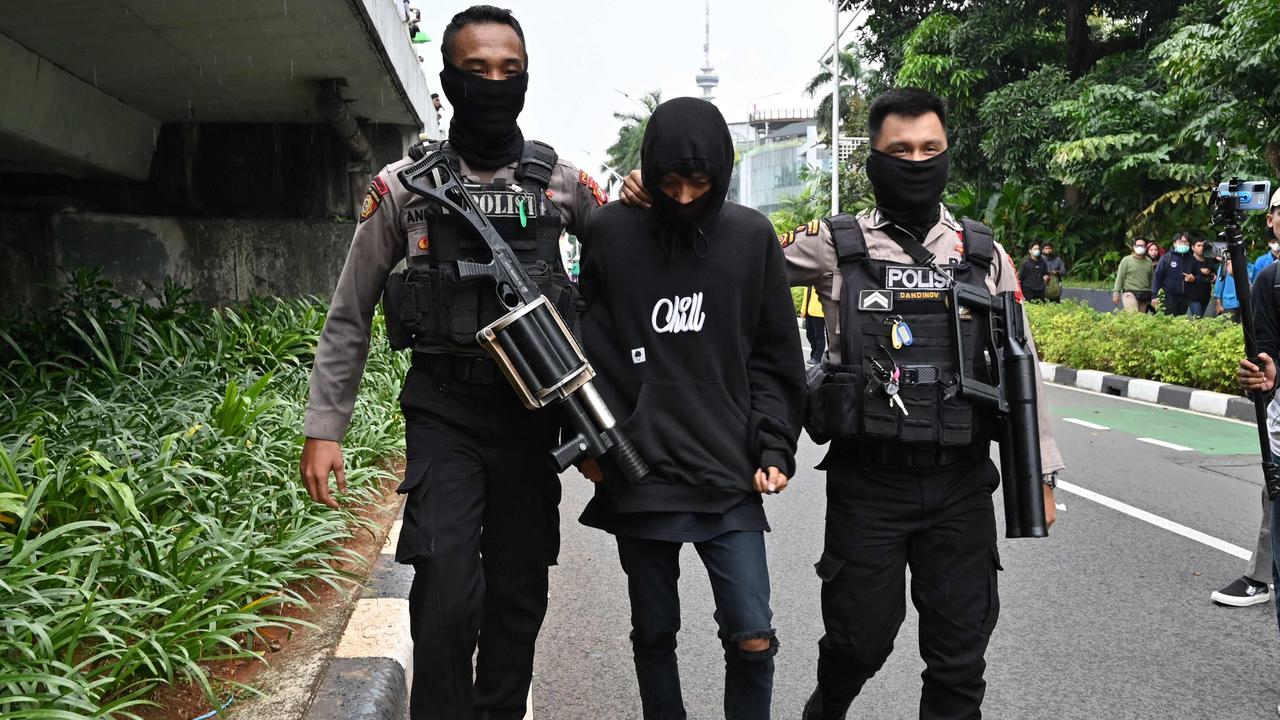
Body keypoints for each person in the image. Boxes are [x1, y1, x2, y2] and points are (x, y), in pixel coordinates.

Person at [298, 7, 604, 719]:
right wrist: (325, 425)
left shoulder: (560, 184)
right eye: (477, 71)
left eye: (509, 71)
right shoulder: (405, 186)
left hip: (534, 416)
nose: (494, 83)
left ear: (525, 79)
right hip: (444, 408)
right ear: (448, 80)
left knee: (518, 593)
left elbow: (630, 261)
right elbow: (350, 312)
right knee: (443, 594)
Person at [577, 97, 806, 720]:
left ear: (722, 174)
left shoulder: (750, 237)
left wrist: (774, 444)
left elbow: (774, 358)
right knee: (654, 634)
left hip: (728, 475)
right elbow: (579, 352)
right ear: (648, 169)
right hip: (639, 474)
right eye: (668, 181)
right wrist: (592, 448)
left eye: (698, 182)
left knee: (753, 634)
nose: (681, 197)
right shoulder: (610, 232)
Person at [1152, 231, 1194, 316]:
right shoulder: (1166, 258)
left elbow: (1198, 275)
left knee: (1180, 322)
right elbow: (1157, 277)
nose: (1183, 244)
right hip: (1168, 296)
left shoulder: (1192, 259)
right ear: (1174, 243)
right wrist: (1154, 296)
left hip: (1185, 297)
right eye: (1180, 242)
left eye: (1186, 242)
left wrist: (1193, 278)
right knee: (1169, 321)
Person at [1112, 237, 1154, 313]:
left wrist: (1154, 295)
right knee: (1133, 315)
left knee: (1141, 318)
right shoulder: (1126, 260)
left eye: (1142, 245)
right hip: (1129, 292)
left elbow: (1152, 279)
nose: (1140, 247)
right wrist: (1116, 293)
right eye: (1138, 245)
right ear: (1133, 247)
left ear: (1145, 247)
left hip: (1144, 294)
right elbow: (1120, 277)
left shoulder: (1149, 261)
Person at [1185, 236, 1216, 318]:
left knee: (1200, 318)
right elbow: (1188, 278)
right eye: (1198, 246)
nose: (1201, 248)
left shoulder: (1209, 260)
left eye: (1203, 246)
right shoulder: (1189, 261)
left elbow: (1213, 277)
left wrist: (1196, 278)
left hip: (1206, 295)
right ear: (1192, 247)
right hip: (1193, 296)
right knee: (1197, 319)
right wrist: (1202, 277)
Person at [1213, 258, 1251, 323]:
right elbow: (1219, 285)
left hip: (1247, 302)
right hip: (1230, 302)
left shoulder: (1251, 267)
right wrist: (1218, 303)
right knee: (1230, 326)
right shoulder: (1225, 266)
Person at [802, 285, 827, 364]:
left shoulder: (820, 281)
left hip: (819, 313)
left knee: (818, 336)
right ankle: (813, 354)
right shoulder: (808, 282)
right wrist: (803, 310)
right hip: (809, 312)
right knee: (809, 335)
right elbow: (806, 295)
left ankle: (817, 357)